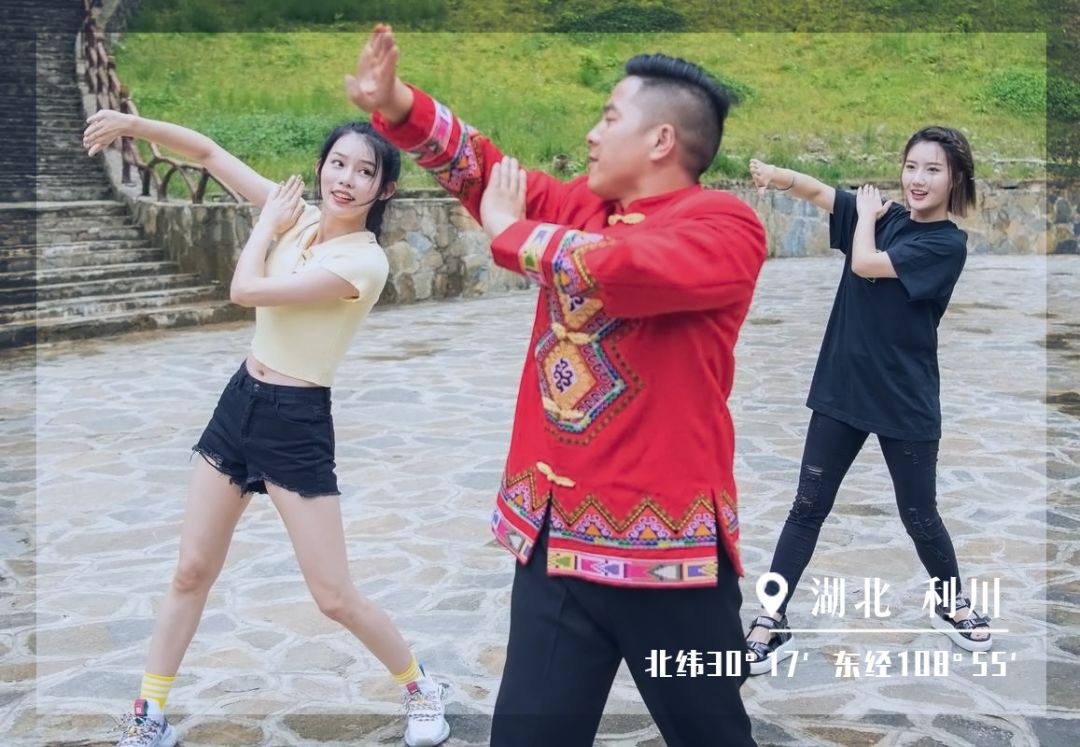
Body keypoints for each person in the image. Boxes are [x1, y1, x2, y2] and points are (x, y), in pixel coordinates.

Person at [345, 24, 766, 747]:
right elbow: (486, 173)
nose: (592, 135)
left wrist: (510, 235)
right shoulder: (581, 207)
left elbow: (625, 267)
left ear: (661, 140)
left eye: (608, 117)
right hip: (553, 545)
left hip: (669, 563)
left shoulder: (725, 225)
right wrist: (400, 105)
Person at [82, 111, 450, 747]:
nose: (346, 179)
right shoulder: (296, 216)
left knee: (333, 596)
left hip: (295, 423)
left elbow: (245, 290)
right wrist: (131, 124)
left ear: (384, 189)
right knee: (190, 570)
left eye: (364, 172)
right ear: (322, 166)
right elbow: (208, 152)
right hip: (240, 404)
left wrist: (264, 226)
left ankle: (421, 688)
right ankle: (149, 713)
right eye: (338, 163)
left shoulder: (363, 263)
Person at [744, 127, 990, 675]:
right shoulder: (885, 216)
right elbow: (820, 193)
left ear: (955, 179)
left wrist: (867, 220)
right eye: (911, 166)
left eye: (933, 169)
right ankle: (770, 618)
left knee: (920, 515)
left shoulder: (946, 244)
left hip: (905, 400)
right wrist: (778, 176)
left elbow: (866, 264)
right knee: (806, 508)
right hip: (843, 390)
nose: (918, 179)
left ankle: (952, 604)